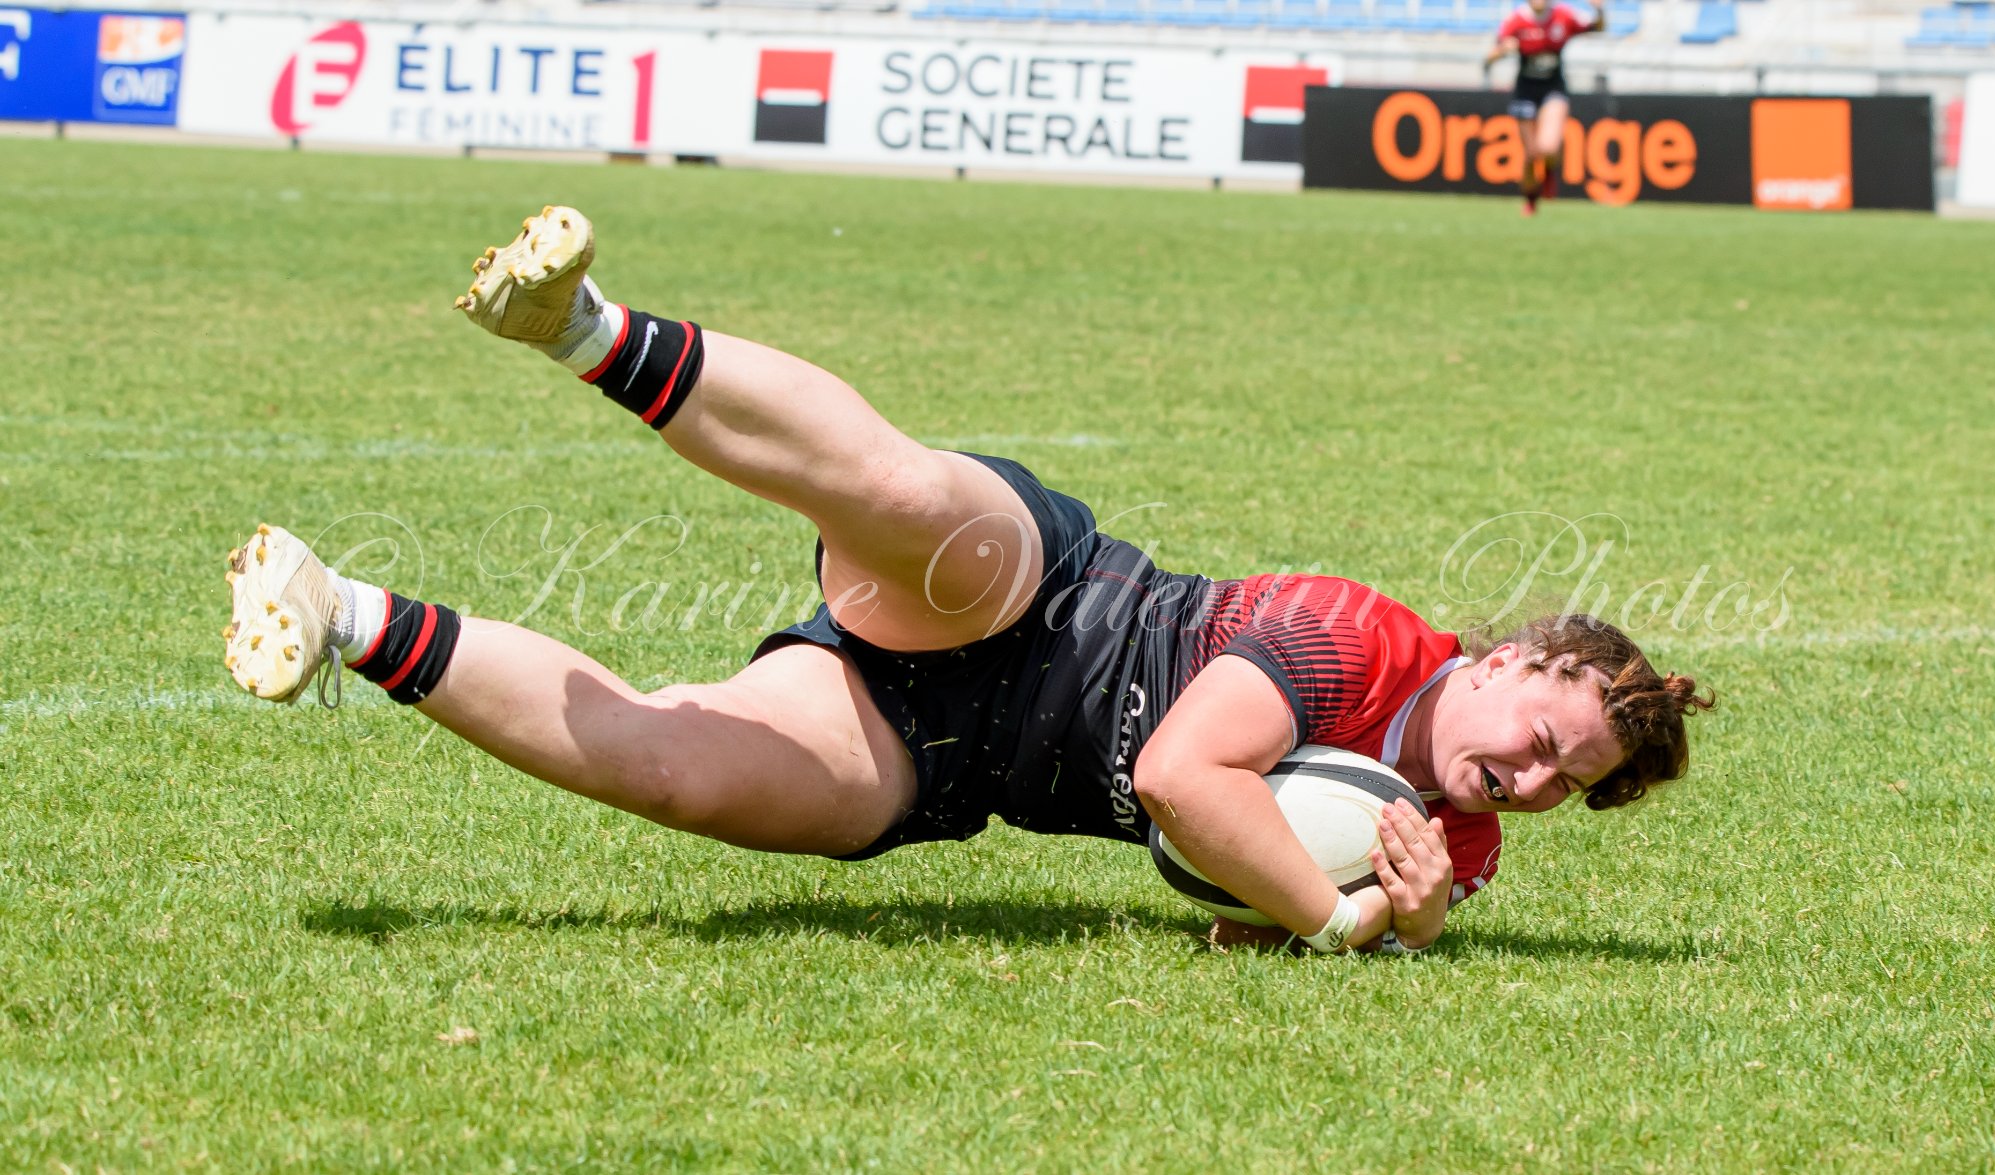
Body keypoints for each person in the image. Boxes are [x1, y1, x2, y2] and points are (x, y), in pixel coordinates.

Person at [219, 206, 1711, 956]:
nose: (1522, 777)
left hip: (950, 758)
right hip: (1041, 597)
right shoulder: (1356, 634)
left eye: (1559, 784)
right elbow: (1194, 780)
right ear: (1512, 655)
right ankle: (579, 323)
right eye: (1542, 733)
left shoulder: (1455, 841)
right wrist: (1352, 928)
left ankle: (336, 607)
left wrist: (1415, 916)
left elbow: (1224, 901)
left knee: (670, 761)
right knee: (905, 495)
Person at [1485, 0, 1607, 216]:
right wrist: (1504, 50)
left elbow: (1597, 28)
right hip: (1525, 91)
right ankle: (1531, 199)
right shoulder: (1515, 20)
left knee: (1548, 146)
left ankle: (1549, 170)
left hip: (1553, 88)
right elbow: (1490, 57)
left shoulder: (1563, 16)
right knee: (1531, 153)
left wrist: (1599, 10)